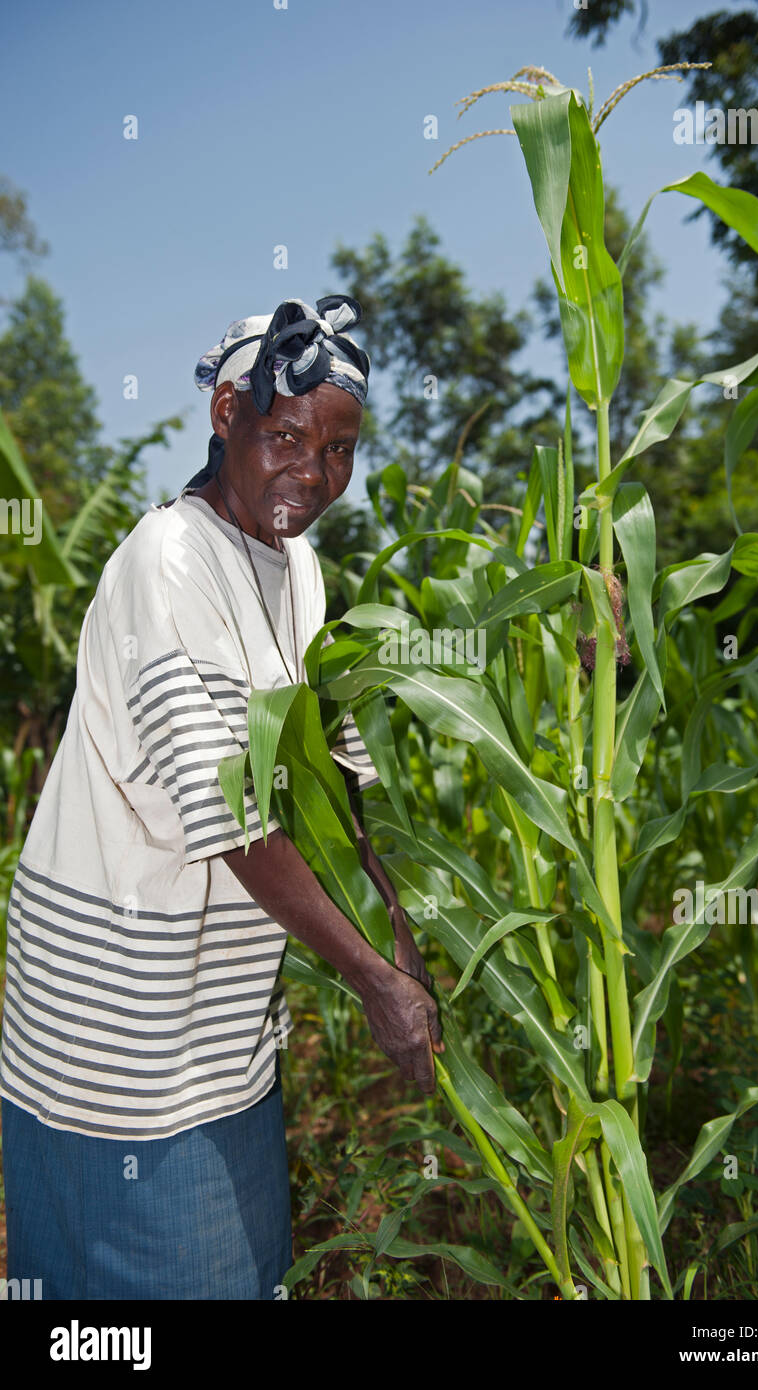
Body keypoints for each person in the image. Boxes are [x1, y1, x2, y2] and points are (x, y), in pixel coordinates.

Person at [0, 293, 444, 1300]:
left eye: (339, 450)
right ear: (226, 414)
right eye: (286, 436)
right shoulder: (166, 562)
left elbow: (331, 789)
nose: (313, 473)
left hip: (222, 1017)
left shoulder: (301, 567)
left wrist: (399, 935)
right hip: (117, 1027)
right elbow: (235, 821)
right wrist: (376, 983)